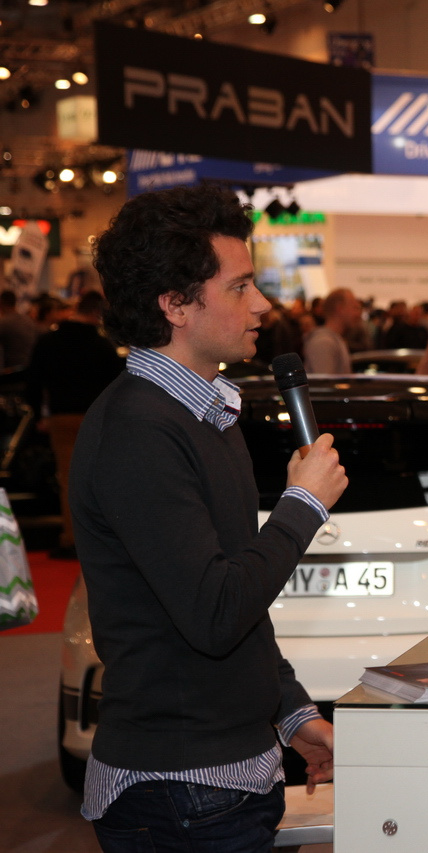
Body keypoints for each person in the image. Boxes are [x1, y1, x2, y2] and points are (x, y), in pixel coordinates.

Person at [71, 185, 349, 851]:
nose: (263, 304)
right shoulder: (139, 430)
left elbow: (236, 596)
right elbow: (215, 610)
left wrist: (290, 710)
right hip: (180, 788)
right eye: (240, 286)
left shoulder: (202, 413)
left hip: (224, 779)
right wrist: (302, 506)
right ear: (175, 305)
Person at [24, 289, 125, 559]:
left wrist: (40, 415)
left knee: (69, 481)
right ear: (96, 313)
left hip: (62, 417)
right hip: (97, 419)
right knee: (103, 481)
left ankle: (72, 539)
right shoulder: (102, 346)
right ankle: (103, 540)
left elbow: (33, 382)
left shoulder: (49, 341)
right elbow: (119, 385)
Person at [303, 288, 360, 374]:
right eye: (354, 307)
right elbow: (324, 381)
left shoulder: (333, 339)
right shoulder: (324, 342)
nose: (358, 313)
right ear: (340, 308)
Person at [0, 288, 39, 370]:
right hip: (28, 366)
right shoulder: (28, 320)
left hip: (10, 369)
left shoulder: (4, 322)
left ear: (1, 303)